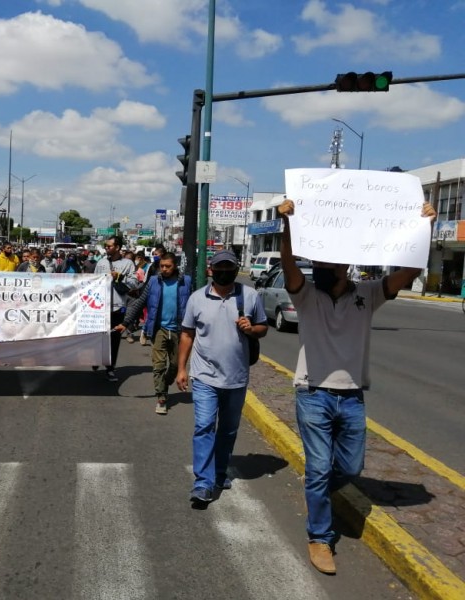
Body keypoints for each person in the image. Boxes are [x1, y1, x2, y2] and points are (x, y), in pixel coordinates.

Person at [277, 198, 436, 575]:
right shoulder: (306, 295)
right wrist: (287, 226)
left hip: (351, 397)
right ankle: (319, 537)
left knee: (350, 467)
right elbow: (288, 266)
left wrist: (424, 226)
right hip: (313, 392)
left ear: (345, 265)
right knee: (318, 468)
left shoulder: (369, 294)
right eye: (316, 262)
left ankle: (317, 493)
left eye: (326, 263)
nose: (319, 268)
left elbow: (410, 268)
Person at [175, 250, 267, 504]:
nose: (224, 272)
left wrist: (252, 328)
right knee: (204, 425)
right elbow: (186, 334)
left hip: (236, 377)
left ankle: (219, 471)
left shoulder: (250, 296)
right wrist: (181, 368)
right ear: (210, 270)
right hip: (204, 376)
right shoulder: (196, 299)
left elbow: (263, 328)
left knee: (227, 430)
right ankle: (203, 483)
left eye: (229, 267)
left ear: (236, 270)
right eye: (220, 267)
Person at [115, 253, 191, 414]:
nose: (164, 269)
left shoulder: (186, 282)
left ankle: (166, 381)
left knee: (176, 365)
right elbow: (139, 302)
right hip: (159, 329)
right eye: (162, 266)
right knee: (159, 365)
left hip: (179, 330)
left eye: (168, 266)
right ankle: (161, 396)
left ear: (175, 266)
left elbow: (195, 305)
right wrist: (125, 323)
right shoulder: (153, 281)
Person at [93, 235, 138, 382]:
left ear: (117, 247)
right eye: (106, 246)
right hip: (100, 306)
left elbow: (134, 284)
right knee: (99, 336)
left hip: (118, 307)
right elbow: (93, 282)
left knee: (114, 338)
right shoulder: (101, 263)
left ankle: (110, 368)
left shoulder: (128, 263)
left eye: (109, 246)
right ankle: (97, 358)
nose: (107, 248)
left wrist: (119, 276)